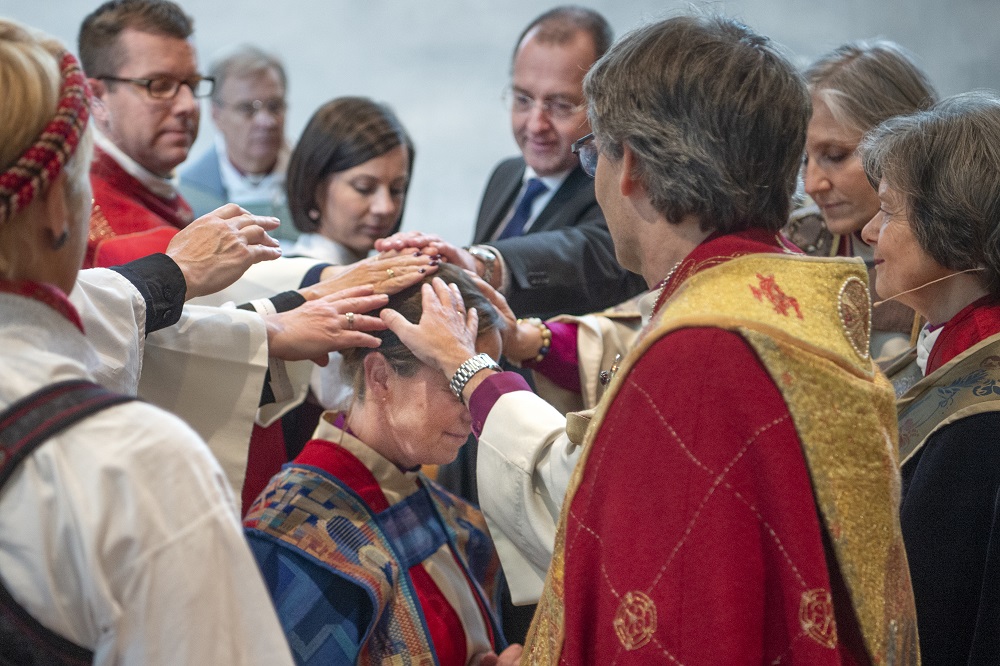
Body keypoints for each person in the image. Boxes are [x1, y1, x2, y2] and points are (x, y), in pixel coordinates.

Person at [386, 15, 918, 663]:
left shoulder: (698, 355)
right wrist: (523, 341)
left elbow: (663, 619)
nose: (594, 175)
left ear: (631, 165)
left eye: (593, 153)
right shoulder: (783, 286)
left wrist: (470, 371)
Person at [0, 19, 293, 663]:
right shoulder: (137, 465)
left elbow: (107, 302)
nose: (186, 105)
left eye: (193, 85)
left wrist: (270, 322)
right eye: (161, 85)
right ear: (56, 208)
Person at [244, 264, 521, 665]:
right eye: (455, 382)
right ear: (381, 377)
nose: (475, 412)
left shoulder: (444, 506)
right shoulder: (289, 533)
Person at [379, 6, 644, 320]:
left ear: (601, 104)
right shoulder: (506, 174)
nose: (535, 125)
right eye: (523, 100)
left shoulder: (623, 186)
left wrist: (480, 263)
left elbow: (589, 254)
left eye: (560, 105)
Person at [859, 91, 1000, 665]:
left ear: (953, 221)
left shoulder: (982, 414)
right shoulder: (941, 342)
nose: (869, 231)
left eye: (889, 210)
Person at [798, 40, 938, 361]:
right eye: (805, 159)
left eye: (835, 155)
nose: (810, 185)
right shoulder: (798, 242)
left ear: (903, 146)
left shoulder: (963, 258)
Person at [179, 44, 296, 244]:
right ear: (216, 114)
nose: (266, 121)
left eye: (274, 106)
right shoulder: (187, 197)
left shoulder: (315, 184)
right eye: (247, 109)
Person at [284, 96, 413, 265]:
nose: (385, 207)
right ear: (314, 186)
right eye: (364, 188)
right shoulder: (293, 278)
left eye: (396, 189)